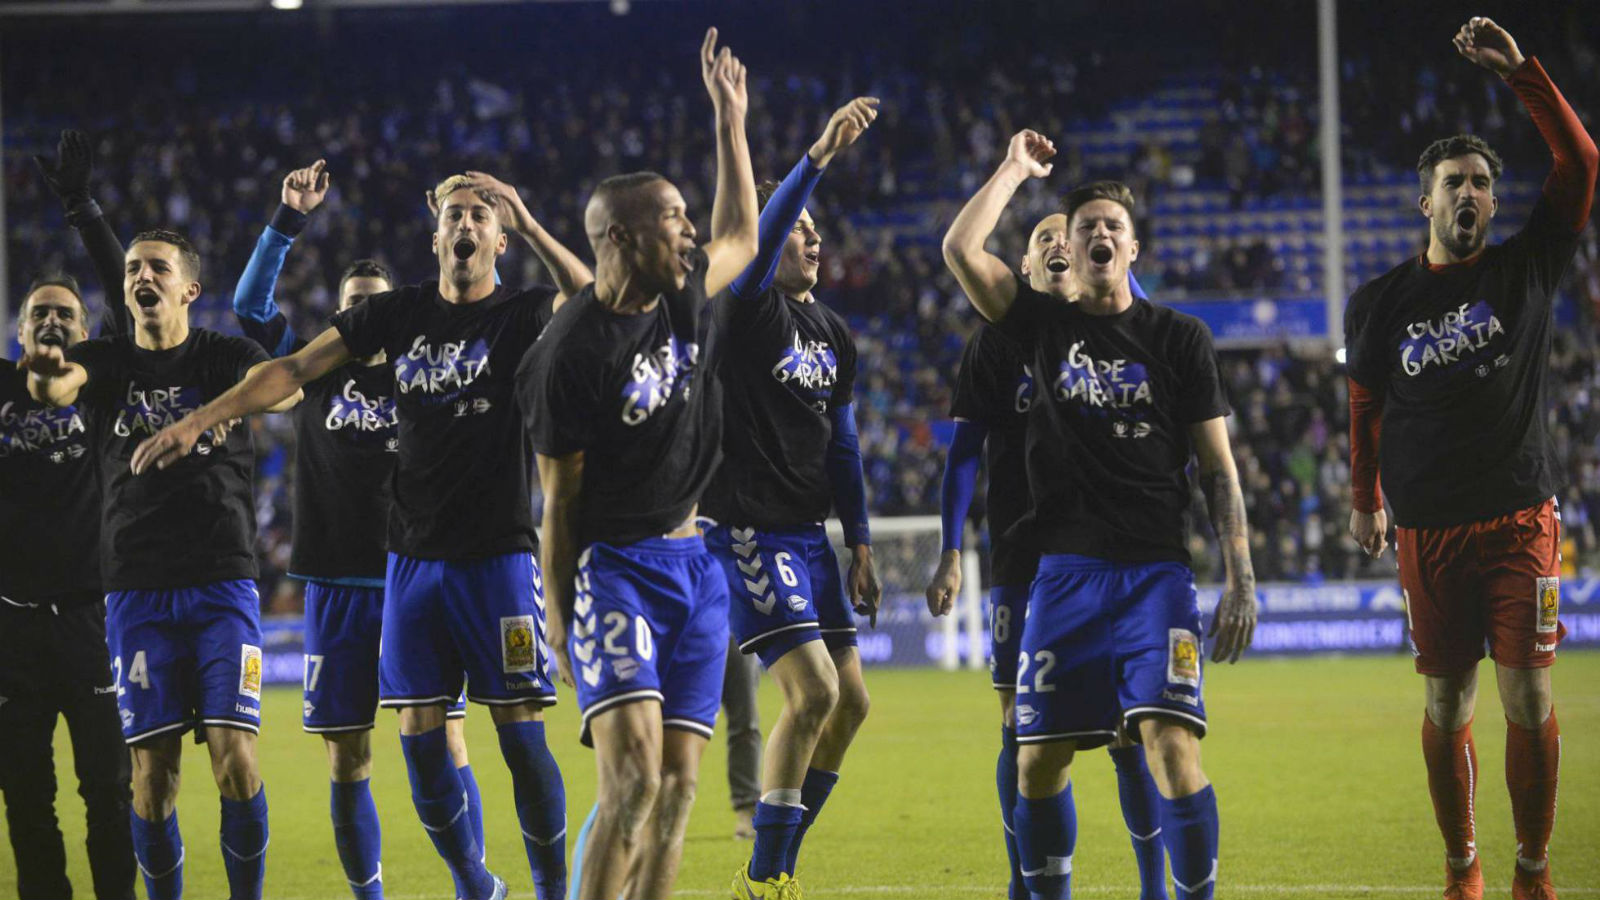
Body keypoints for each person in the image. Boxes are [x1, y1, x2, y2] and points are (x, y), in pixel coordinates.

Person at [127, 167, 593, 900]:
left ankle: (554, 891)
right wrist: (198, 420)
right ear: (435, 235)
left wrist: (531, 219)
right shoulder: (397, 315)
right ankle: (475, 883)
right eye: (454, 217)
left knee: (519, 731)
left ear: (497, 238)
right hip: (408, 562)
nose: (465, 226)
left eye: (480, 217)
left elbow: (593, 301)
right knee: (420, 748)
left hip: (498, 554)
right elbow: (290, 368)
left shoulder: (523, 311)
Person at [944, 137, 1258, 900]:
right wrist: (1016, 170)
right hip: (1063, 578)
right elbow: (960, 247)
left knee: (1171, 747)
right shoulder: (1040, 329)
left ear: (1132, 246)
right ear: (1073, 250)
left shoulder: (1179, 338)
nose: (1097, 234)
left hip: (1158, 576)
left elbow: (1218, 470)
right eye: (1085, 226)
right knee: (1036, 759)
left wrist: (1241, 577)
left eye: (1112, 224)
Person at [1344, 18, 1596, 900]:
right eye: (1454, 181)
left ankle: (1531, 869)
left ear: (1493, 203)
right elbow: (1365, 399)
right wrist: (1363, 493)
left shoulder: (1527, 268)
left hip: (1522, 516)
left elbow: (1583, 165)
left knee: (1527, 695)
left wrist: (1524, 72)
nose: (1471, 193)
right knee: (1446, 704)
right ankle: (1463, 868)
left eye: (1483, 183)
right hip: (1429, 531)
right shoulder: (1381, 303)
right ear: (1427, 202)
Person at [518, 27, 758, 900]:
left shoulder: (683, 296)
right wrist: (555, 621)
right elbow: (558, 502)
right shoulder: (567, 354)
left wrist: (730, 120)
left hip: (697, 564)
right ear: (620, 236)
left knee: (683, 787)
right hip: (615, 569)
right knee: (631, 783)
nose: (690, 234)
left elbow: (740, 229)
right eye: (672, 220)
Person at [229, 160, 484, 900]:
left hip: (419, 579)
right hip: (337, 583)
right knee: (348, 759)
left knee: (446, 741)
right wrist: (287, 219)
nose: (363, 317)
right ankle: (368, 895)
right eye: (351, 307)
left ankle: (475, 885)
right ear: (338, 313)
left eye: (374, 304)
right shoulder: (313, 374)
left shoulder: (425, 366)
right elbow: (249, 305)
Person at [24, 228, 302, 900]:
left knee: (235, 759)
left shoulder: (223, 355)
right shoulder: (107, 359)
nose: (141, 277)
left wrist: (203, 418)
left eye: (156, 267)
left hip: (223, 584)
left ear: (188, 288)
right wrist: (48, 369)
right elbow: (62, 388)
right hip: (136, 590)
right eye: (131, 269)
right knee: (152, 777)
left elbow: (288, 390)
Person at [929, 213, 1169, 900]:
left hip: (1107, 552)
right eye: (1043, 239)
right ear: (1024, 272)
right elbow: (963, 457)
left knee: (1130, 725)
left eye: (1071, 235)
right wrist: (951, 551)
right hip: (1020, 556)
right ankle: (1022, 884)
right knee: (1018, 727)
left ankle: (1154, 889)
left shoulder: (1123, 334)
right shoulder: (996, 347)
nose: (1060, 243)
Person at [695, 95, 882, 898]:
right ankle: (769, 878)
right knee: (813, 692)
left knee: (852, 706)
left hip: (810, 536)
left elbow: (842, 446)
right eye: (801, 229)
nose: (811, 238)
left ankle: (771, 861)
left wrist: (863, 544)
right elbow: (765, 234)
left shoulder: (833, 335)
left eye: (816, 231)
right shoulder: (746, 311)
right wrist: (815, 158)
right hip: (746, 529)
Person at [0, 274, 135, 900]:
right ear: (19, 331)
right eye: (39, 314)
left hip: (90, 621)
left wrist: (82, 209)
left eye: (64, 314)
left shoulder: (103, 385)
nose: (51, 322)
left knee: (108, 790)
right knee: (25, 793)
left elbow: (127, 293)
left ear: (86, 333)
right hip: (11, 627)